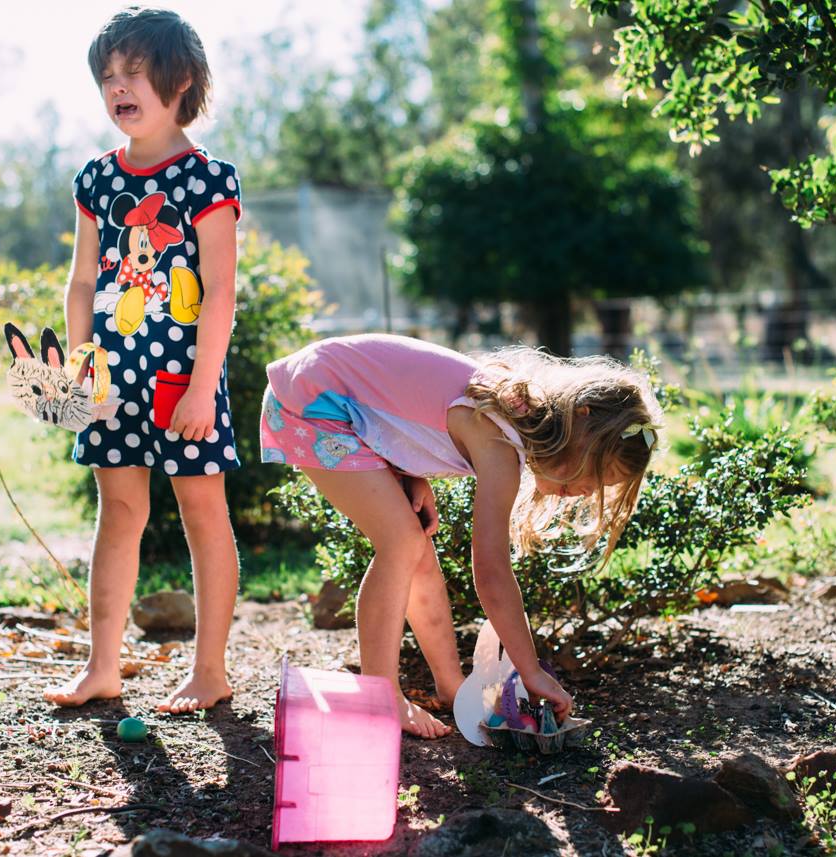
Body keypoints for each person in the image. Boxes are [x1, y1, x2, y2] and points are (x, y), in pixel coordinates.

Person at [260, 334, 663, 737]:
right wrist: (531, 670)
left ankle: (451, 687)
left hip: (339, 398)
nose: (588, 491)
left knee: (414, 543)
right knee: (400, 542)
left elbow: (405, 398)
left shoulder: (513, 413)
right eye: (595, 475)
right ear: (581, 420)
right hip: (312, 401)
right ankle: (380, 696)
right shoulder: (501, 442)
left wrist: (409, 470)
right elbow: (491, 574)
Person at [46, 7, 242, 713]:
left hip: (183, 383)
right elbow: (81, 282)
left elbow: (220, 292)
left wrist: (202, 388)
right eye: (109, 76)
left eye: (133, 72)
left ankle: (210, 668)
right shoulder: (95, 178)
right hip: (110, 382)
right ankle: (103, 665)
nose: (118, 86)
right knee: (118, 511)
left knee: (202, 513)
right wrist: (78, 371)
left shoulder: (207, 178)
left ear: (179, 79)